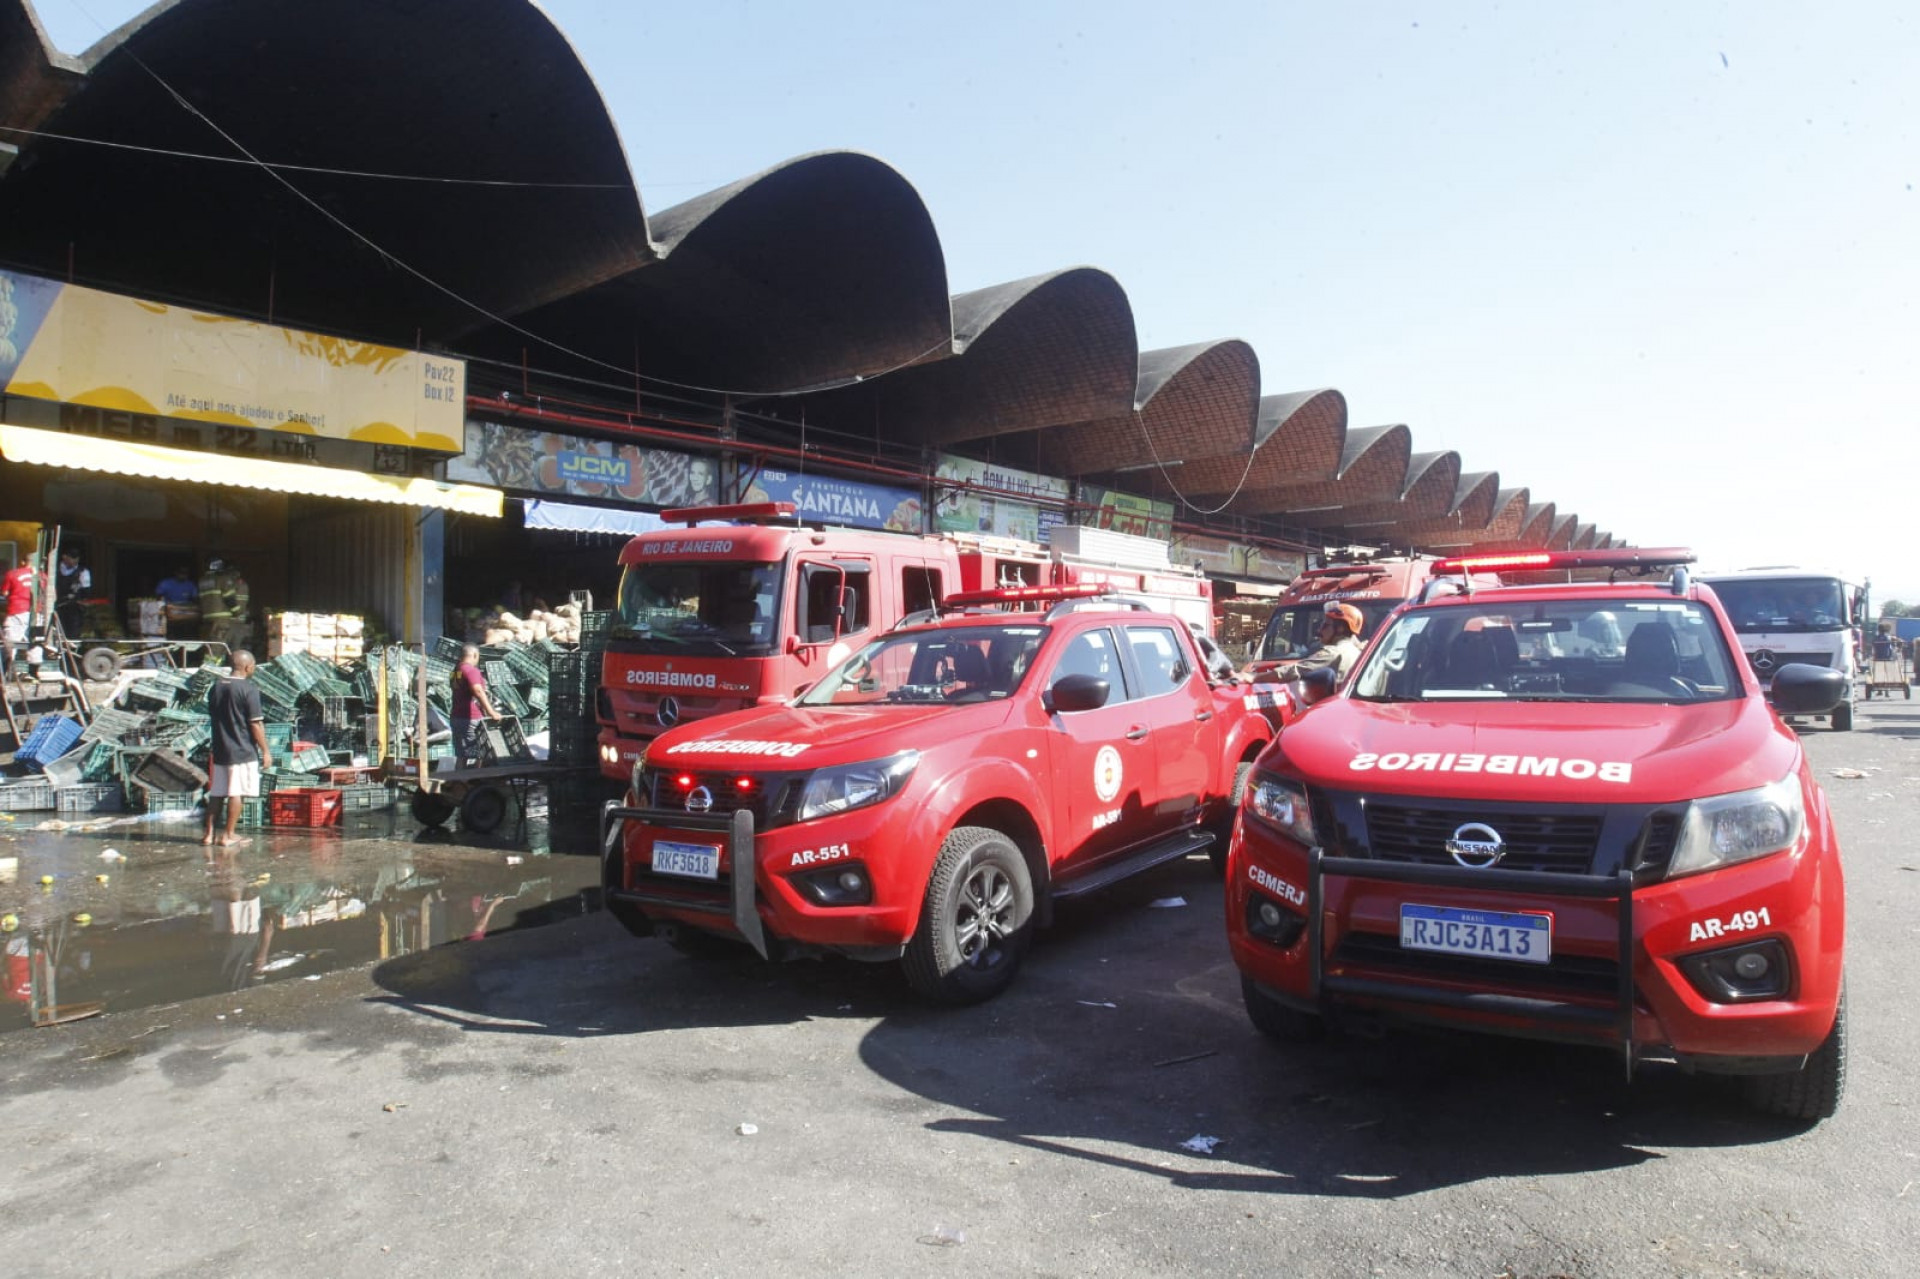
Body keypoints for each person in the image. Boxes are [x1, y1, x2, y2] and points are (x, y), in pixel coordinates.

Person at [204, 650, 273, 847]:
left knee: (217, 792)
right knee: (237, 792)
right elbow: (255, 724)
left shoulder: (216, 687)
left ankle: (209, 835)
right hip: (241, 749)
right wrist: (265, 750)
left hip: (220, 748)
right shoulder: (248, 689)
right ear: (247, 667)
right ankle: (228, 835)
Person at [1258, 601, 1366, 684]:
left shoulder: (1333, 653)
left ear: (1340, 629)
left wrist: (1253, 677)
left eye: (1325, 625)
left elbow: (1295, 670)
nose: (1319, 630)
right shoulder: (1359, 652)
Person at [450, 644, 502, 765]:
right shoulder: (470, 670)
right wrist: (492, 712)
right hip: (470, 718)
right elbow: (478, 691)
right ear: (475, 655)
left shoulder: (455, 671)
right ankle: (471, 779)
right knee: (475, 752)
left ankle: (459, 779)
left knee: (461, 753)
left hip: (456, 717)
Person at [4, 555, 43, 677]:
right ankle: (33, 673)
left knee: (10, 641)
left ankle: (7, 673)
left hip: (16, 610)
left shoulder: (12, 574)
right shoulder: (42, 576)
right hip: (36, 613)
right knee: (35, 642)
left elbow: (4, 592)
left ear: (22, 562)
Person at [197, 558, 250, 647]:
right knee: (218, 645)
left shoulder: (202, 581)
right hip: (221, 619)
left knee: (210, 643)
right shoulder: (222, 579)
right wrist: (237, 612)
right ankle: (212, 661)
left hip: (207, 617)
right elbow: (229, 598)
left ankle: (211, 660)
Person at [155, 566, 200, 641]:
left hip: (185, 613)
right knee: (171, 632)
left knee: (187, 632)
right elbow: (158, 597)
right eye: (181, 573)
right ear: (176, 573)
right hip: (169, 612)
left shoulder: (190, 584)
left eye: (185, 574)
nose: (183, 575)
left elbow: (195, 599)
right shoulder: (166, 583)